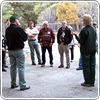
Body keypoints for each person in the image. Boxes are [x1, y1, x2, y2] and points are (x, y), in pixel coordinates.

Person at [5, 15, 30, 91]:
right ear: (15, 20)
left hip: (10, 50)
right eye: (18, 20)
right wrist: (20, 28)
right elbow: (25, 38)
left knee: (13, 67)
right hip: (18, 50)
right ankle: (22, 85)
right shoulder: (18, 28)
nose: (19, 22)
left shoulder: (7, 29)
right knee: (21, 68)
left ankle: (13, 83)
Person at [72, 14, 96, 87]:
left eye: (83, 20)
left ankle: (87, 81)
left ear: (85, 21)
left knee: (86, 66)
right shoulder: (93, 29)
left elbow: (81, 41)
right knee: (92, 66)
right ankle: (92, 81)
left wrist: (75, 35)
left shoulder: (84, 30)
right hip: (93, 50)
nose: (82, 21)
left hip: (86, 51)